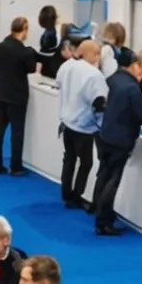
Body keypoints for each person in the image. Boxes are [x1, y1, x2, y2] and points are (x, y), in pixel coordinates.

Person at [91, 48, 142, 236]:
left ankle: (99, 212)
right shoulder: (132, 88)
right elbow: (141, 115)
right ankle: (104, 221)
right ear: (134, 65)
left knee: (103, 174)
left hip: (106, 134)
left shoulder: (113, 79)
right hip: (121, 140)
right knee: (112, 180)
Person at [0, 16, 42, 175]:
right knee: (17, 132)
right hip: (17, 96)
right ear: (24, 29)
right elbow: (31, 69)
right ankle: (16, 166)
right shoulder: (24, 52)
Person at [56, 40, 103, 211]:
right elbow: (99, 102)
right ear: (94, 55)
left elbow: (58, 84)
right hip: (83, 126)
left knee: (69, 158)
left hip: (66, 121)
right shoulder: (94, 75)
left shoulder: (66, 66)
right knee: (86, 162)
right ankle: (77, 195)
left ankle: (66, 192)